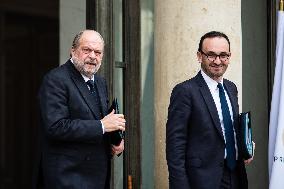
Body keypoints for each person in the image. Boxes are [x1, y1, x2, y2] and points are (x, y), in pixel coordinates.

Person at [35, 30, 125, 189]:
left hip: (97, 176)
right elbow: (56, 127)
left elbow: (97, 119)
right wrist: (102, 126)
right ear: (73, 50)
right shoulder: (56, 79)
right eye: (87, 50)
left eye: (98, 52)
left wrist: (114, 140)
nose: (92, 56)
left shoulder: (100, 82)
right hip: (67, 178)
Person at [166, 31, 254, 189]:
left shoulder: (231, 88)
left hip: (235, 175)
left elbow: (228, 130)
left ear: (229, 56)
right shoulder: (185, 91)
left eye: (223, 55)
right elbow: (175, 148)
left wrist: (245, 146)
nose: (218, 61)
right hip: (202, 180)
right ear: (200, 56)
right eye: (211, 55)